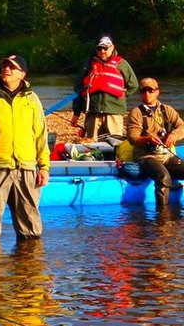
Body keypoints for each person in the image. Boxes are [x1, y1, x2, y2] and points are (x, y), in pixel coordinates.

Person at [0, 54, 50, 241]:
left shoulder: (33, 99)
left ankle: (29, 259)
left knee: (31, 229)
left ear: (22, 74)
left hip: (26, 166)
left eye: (12, 67)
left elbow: (41, 135)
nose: (6, 69)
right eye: (4, 66)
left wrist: (44, 167)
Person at [126, 77, 184, 207]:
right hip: (146, 156)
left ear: (157, 92)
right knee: (163, 178)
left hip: (166, 156)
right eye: (144, 91)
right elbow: (132, 138)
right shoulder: (136, 113)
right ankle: (162, 215)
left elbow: (182, 127)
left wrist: (174, 134)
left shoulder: (167, 110)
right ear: (140, 93)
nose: (147, 94)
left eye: (150, 90)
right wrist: (148, 139)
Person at [71, 34, 138, 139]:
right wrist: (76, 113)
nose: (102, 51)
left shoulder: (122, 64)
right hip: (93, 113)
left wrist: (122, 96)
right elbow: (78, 89)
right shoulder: (88, 65)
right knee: (92, 144)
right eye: (99, 48)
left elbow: (134, 85)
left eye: (105, 48)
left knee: (115, 143)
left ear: (112, 47)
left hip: (114, 114)